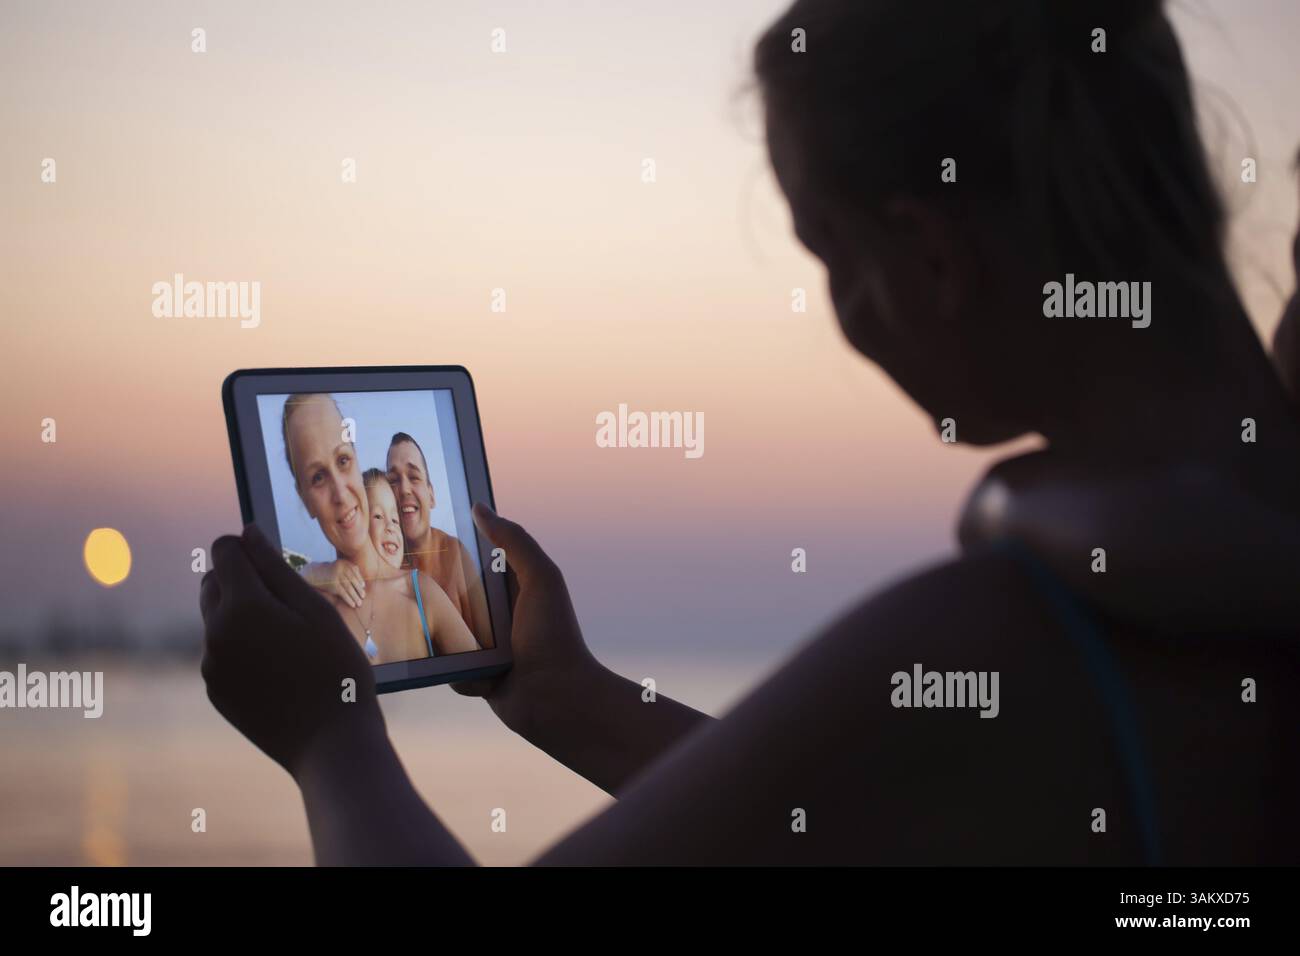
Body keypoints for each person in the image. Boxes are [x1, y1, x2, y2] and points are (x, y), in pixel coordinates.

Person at [200, 0, 1300, 865]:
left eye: (827, 251)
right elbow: (848, 826)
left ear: (929, 258)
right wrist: (571, 698)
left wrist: (331, 741)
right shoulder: (1240, 539)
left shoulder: (1000, 635)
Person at [280, 394, 478, 664]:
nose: (341, 493)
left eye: (343, 460)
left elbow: (484, 678)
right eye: (317, 477)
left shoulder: (420, 590)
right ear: (304, 498)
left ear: (356, 459)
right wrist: (311, 574)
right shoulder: (304, 605)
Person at [387, 432, 493, 647]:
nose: (404, 489)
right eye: (393, 481)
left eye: (414, 477)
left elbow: (489, 644)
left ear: (431, 495)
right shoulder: (384, 563)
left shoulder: (454, 552)